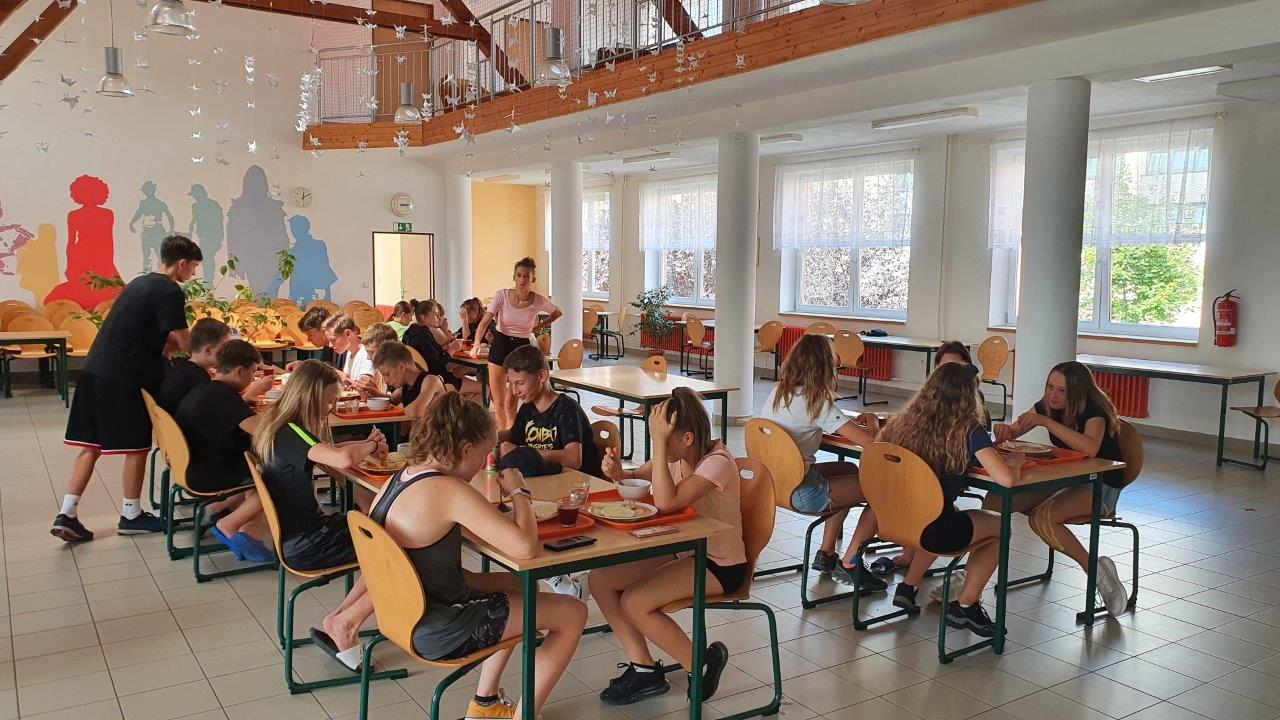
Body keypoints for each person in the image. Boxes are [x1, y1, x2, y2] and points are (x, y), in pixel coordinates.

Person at [372, 391, 587, 720]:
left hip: (403, 613)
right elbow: (524, 548)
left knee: (517, 583)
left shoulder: (401, 477)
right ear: (465, 450)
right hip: (439, 625)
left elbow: (476, 531)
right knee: (573, 613)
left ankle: (485, 702)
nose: (481, 467)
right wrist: (519, 491)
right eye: (484, 456)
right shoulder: (449, 489)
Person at [589, 388, 741, 705]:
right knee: (600, 580)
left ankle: (699, 664)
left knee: (634, 602)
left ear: (687, 438)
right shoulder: (677, 456)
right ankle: (643, 668)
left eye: (663, 440)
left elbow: (665, 501)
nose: (658, 447)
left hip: (720, 565)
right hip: (684, 550)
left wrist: (659, 446)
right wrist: (617, 472)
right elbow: (635, 477)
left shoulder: (717, 463)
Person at [52, 234, 202, 542]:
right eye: (194, 267)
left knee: (90, 445)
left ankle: (67, 513)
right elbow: (184, 341)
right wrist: (209, 351)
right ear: (182, 264)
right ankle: (131, 515)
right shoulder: (169, 290)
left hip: (94, 370)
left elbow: (151, 335)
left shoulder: (139, 284)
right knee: (137, 446)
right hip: (124, 376)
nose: (194, 273)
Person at [250, 360, 388, 670]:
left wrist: (364, 446)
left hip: (303, 536)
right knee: (398, 547)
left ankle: (340, 619)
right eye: (329, 401)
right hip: (307, 543)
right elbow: (343, 457)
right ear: (309, 396)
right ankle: (346, 623)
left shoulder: (280, 425)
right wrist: (369, 445)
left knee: (383, 532)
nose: (331, 408)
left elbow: (329, 452)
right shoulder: (288, 433)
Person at [875, 363, 1025, 632]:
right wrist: (1015, 462)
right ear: (970, 396)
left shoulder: (902, 421)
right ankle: (966, 605)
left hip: (893, 522)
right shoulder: (969, 430)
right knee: (1001, 526)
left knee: (943, 514)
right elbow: (1006, 480)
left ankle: (909, 586)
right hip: (933, 530)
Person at [991, 361, 1129, 616]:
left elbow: (1090, 448)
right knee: (994, 503)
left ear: (1076, 393)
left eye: (1061, 391)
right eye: (1049, 387)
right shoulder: (1047, 405)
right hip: (1067, 476)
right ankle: (969, 578)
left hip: (1101, 483)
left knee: (1042, 519)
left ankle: (1097, 572)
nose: (1052, 395)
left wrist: (1046, 421)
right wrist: (1006, 430)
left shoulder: (1093, 410)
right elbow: (1017, 429)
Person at [756, 335, 883, 592]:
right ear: (825, 367)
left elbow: (812, 423)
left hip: (776, 484)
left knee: (849, 470)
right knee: (880, 490)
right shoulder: (817, 403)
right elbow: (870, 444)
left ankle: (826, 554)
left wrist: (843, 423)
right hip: (801, 492)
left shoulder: (779, 392)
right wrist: (872, 422)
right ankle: (850, 563)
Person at [499, 345, 602, 600]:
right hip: (545, 484)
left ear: (542, 376)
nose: (514, 390)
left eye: (520, 383)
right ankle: (561, 581)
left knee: (525, 527)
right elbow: (511, 443)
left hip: (576, 491)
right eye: (511, 384)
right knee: (513, 519)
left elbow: (574, 458)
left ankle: (562, 580)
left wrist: (528, 453)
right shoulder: (527, 408)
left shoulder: (566, 408)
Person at [175, 339, 273, 562]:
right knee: (276, 476)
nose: (253, 379)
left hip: (193, 465)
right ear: (239, 371)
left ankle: (219, 512)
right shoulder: (223, 396)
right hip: (208, 473)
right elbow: (259, 430)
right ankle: (229, 524)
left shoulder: (208, 389)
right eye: (252, 373)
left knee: (259, 464)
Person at [470, 258, 562, 430]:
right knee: (498, 404)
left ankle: (511, 439)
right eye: (519, 275)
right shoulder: (502, 295)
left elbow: (557, 313)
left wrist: (538, 326)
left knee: (511, 405)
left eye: (526, 276)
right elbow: (484, 322)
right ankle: (501, 439)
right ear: (514, 277)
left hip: (521, 348)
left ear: (533, 279)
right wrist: (476, 343)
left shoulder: (538, 300)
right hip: (501, 344)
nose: (522, 279)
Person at [405, 299, 483, 396]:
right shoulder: (424, 336)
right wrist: (451, 350)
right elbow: (437, 365)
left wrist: (443, 345)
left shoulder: (412, 332)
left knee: (464, 384)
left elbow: (429, 355)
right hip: (438, 379)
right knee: (486, 389)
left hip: (424, 378)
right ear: (423, 317)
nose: (438, 318)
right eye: (435, 314)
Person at [157, 317, 230, 415]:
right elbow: (218, 410)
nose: (228, 353)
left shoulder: (183, 366)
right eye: (225, 348)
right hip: (178, 424)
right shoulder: (198, 377)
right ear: (208, 350)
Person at [371, 342, 447, 419]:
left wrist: (402, 408)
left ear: (401, 366)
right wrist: (373, 393)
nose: (386, 381)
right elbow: (390, 401)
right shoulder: (405, 387)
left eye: (387, 374)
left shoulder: (431, 381)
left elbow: (414, 412)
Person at [322, 313, 374, 389]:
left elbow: (365, 388)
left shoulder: (367, 354)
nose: (330, 345)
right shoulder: (349, 352)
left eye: (333, 340)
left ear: (348, 334)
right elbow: (347, 381)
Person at [285, 306, 338, 371]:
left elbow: (334, 374)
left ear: (322, 330)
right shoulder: (327, 346)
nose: (308, 339)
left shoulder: (340, 349)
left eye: (309, 335)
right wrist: (302, 365)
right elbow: (324, 369)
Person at [354, 322, 399, 397]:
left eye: (371, 352)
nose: (368, 358)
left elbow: (401, 402)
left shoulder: (400, 371)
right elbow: (392, 398)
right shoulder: (382, 369)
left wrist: (376, 393)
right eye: (367, 352)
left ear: (388, 349)